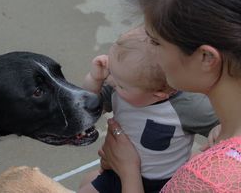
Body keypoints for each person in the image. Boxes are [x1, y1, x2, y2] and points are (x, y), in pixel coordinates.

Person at [101, 0, 241, 192]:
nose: (149, 51)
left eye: (156, 42)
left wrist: (128, 170)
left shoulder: (207, 180)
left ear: (207, 58)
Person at [79, 26, 217, 193]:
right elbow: (89, 108)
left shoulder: (188, 107)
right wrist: (94, 79)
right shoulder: (121, 86)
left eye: (120, 84)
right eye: (111, 71)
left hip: (163, 182)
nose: (110, 80)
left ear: (158, 95)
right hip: (116, 170)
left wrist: (218, 131)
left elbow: (226, 125)